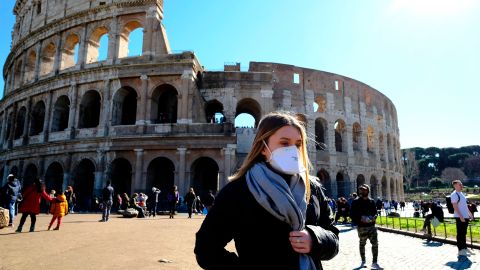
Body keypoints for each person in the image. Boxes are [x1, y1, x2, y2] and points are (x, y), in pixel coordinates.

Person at [195, 111, 339, 270]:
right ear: (263, 147)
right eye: (284, 143)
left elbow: (333, 236)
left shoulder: (313, 188)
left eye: (298, 144)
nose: (293, 150)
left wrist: (315, 238)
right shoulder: (238, 191)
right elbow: (206, 248)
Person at [350, 184, 382, 270]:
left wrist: (374, 217)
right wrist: (361, 218)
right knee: (362, 244)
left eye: (364, 190)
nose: (363, 191)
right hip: (361, 227)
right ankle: (363, 261)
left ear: (368, 191)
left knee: (375, 244)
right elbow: (352, 214)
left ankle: (374, 263)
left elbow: (375, 212)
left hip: (372, 226)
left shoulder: (371, 201)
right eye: (361, 190)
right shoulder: (356, 202)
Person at [451, 180, 474, 257]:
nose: (462, 185)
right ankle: (460, 250)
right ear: (455, 186)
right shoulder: (454, 194)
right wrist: (461, 216)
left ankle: (464, 247)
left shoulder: (461, 194)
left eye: (461, 184)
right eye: (460, 184)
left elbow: (464, 206)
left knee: (464, 233)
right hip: (459, 217)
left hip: (465, 216)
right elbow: (455, 206)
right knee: (460, 233)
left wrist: (470, 214)